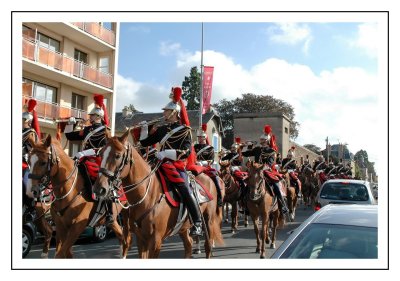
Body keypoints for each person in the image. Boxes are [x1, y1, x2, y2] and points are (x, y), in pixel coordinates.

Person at [138, 86, 203, 237]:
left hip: (176, 165)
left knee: (185, 189)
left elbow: (186, 152)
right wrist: (144, 130)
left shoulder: (184, 130)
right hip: (159, 164)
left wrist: (166, 153)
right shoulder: (161, 129)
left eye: (166, 111)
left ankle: (197, 222)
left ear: (174, 112)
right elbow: (144, 143)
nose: (163, 113)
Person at [64, 94, 113, 225]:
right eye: (90, 115)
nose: (89, 117)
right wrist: (70, 124)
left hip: (96, 160)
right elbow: (69, 136)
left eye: (92, 115)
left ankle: (109, 212)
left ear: (98, 117)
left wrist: (83, 153)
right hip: (83, 159)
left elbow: (102, 149)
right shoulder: (87, 129)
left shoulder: (105, 131)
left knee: (102, 182)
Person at [241, 125, 289, 216]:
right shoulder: (257, 149)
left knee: (276, 185)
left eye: (262, 140)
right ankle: (245, 206)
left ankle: (283, 205)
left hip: (266, 171)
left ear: (266, 140)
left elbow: (270, 163)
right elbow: (245, 154)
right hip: (255, 171)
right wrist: (245, 146)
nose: (261, 141)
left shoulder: (271, 151)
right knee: (246, 185)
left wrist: (262, 167)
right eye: (261, 139)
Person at [194, 124, 223, 207]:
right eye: (198, 137)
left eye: (200, 137)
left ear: (204, 138)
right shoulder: (195, 147)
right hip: (196, 166)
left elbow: (211, 160)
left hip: (205, 167)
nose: (199, 138)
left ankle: (219, 198)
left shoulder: (210, 148)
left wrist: (201, 163)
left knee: (215, 178)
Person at [22, 99, 40, 212]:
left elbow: (32, 150)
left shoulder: (31, 133)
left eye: (22, 119)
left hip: (25, 163)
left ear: (28, 120)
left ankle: (30, 207)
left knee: (26, 185)